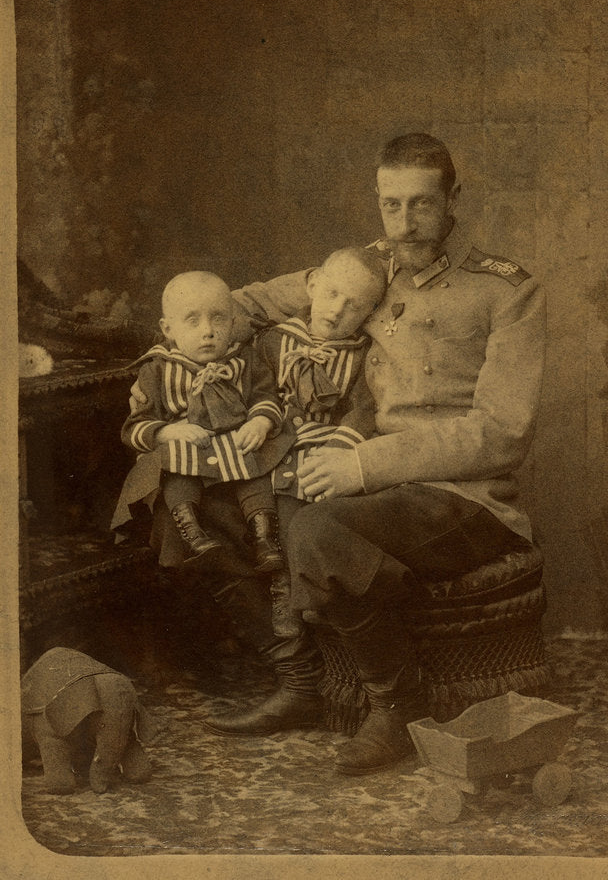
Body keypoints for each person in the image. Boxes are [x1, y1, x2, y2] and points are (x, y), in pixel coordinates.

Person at [206, 133, 547, 776]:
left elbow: (503, 432)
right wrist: (192, 341)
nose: (404, 223)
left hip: (462, 497)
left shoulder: (507, 291)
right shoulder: (363, 273)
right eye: (391, 205)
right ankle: (303, 683)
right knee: (218, 503)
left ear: (453, 199)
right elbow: (241, 305)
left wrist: (366, 466)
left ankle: (395, 705)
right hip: (371, 483)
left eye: (421, 204)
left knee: (316, 528)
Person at [204, 246, 386, 734]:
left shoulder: (366, 356)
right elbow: (249, 383)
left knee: (294, 532)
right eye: (330, 294)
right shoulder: (275, 341)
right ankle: (294, 668)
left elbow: (369, 407)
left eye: (354, 306)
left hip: (322, 458)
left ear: (371, 313)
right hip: (270, 450)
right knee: (214, 504)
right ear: (310, 287)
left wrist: (346, 445)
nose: (337, 309)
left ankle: (313, 674)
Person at [111, 270, 293, 573]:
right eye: (192, 321)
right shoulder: (157, 370)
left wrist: (260, 421)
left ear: (234, 323)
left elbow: (266, 396)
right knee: (173, 467)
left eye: (219, 319)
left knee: (258, 463)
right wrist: (168, 432)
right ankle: (191, 531)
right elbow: (134, 428)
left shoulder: (243, 360)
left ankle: (264, 537)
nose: (207, 331)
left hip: (236, 441)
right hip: (189, 446)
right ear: (168, 328)